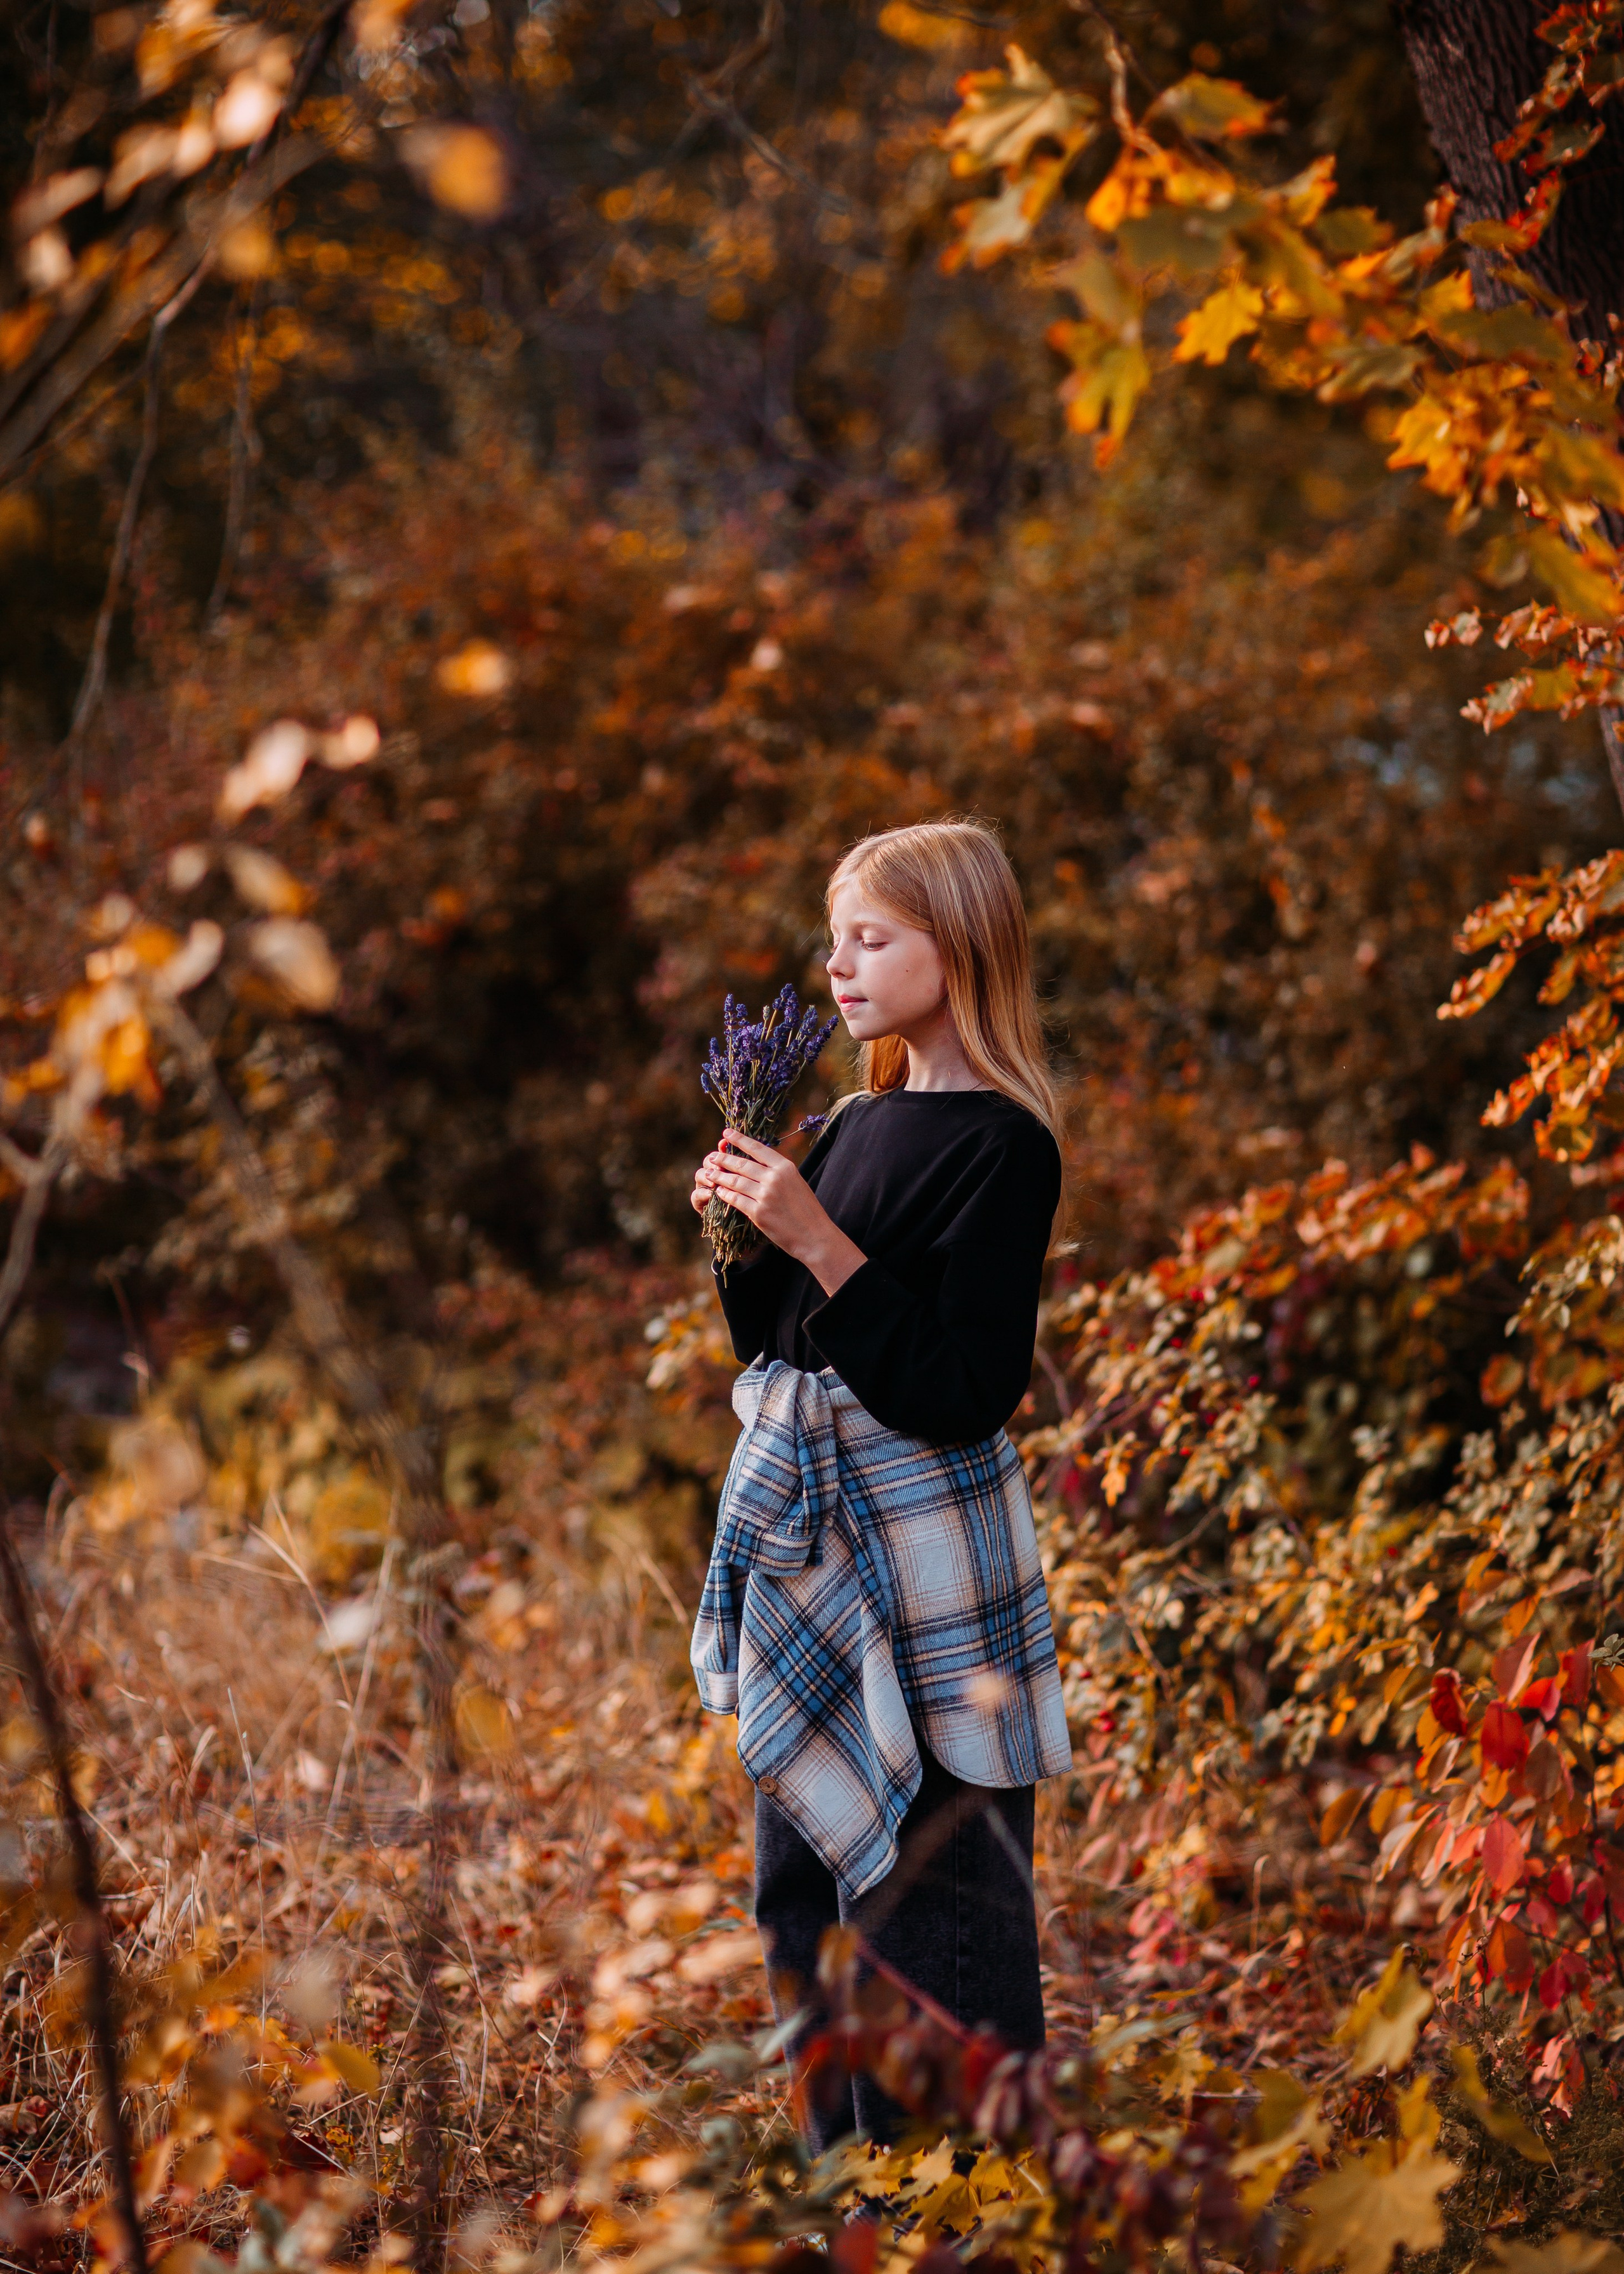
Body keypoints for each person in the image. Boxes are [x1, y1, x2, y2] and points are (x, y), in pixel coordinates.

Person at [688, 818, 1072, 2151]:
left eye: (873, 937)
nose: (840, 965)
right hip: (814, 1547)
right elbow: (784, 1339)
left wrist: (815, 1236)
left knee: (936, 1883)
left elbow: (962, 1388)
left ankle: (962, 2198)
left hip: (923, 1553)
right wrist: (745, 1242)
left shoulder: (1002, 1145)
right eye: (837, 936)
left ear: (954, 945)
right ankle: (842, 2181)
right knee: (799, 1880)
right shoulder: (850, 1120)